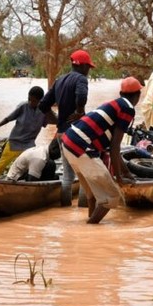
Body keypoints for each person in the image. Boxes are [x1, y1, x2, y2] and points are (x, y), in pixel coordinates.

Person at [61, 77, 142, 224]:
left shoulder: (114, 104)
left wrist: (126, 172)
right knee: (112, 196)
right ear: (138, 95)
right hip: (82, 147)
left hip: (68, 144)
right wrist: (119, 177)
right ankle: (90, 227)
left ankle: (89, 235)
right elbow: (115, 146)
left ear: (121, 93)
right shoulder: (128, 108)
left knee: (92, 194)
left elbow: (113, 148)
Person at [38, 49, 94, 207]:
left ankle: (65, 209)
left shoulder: (60, 80)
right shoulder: (81, 79)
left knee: (67, 175)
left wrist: (56, 119)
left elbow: (43, 104)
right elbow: (82, 96)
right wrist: (79, 112)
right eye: (88, 67)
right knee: (84, 173)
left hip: (62, 133)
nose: (89, 70)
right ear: (82, 66)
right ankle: (84, 209)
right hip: (77, 132)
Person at [0, 86, 49, 178]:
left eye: (34, 101)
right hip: (14, 143)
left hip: (29, 145)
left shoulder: (44, 110)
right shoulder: (23, 106)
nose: (30, 102)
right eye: (29, 99)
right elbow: (8, 119)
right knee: (0, 167)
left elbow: (46, 123)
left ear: (40, 100)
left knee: (30, 167)